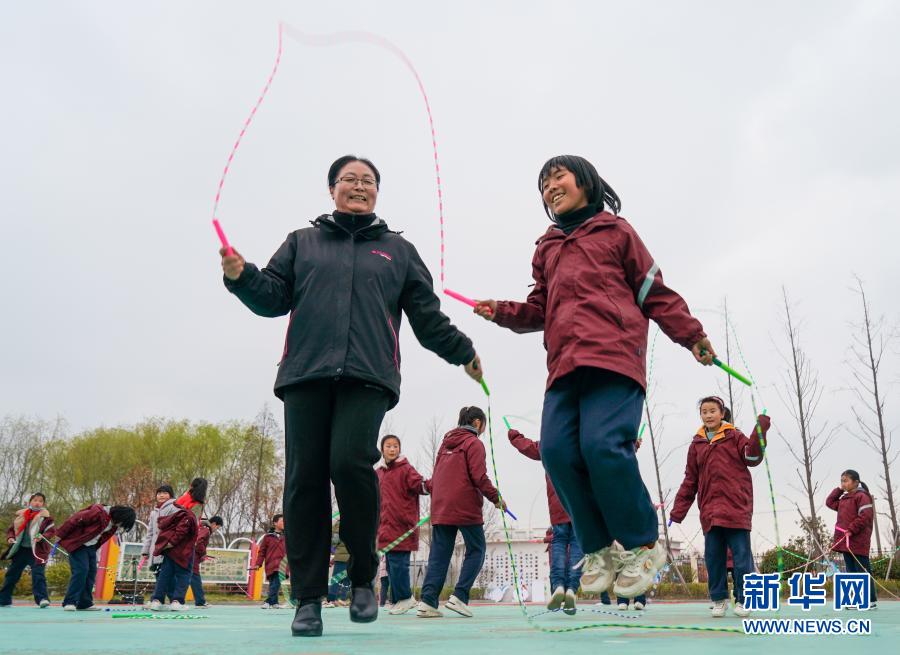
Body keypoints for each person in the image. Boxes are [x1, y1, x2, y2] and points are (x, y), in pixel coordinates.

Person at [219, 154, 483, 637]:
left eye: (368, 181)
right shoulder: (303, 243)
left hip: (369, 374)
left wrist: (462, 351)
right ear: (332, 189)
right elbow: (274, 296)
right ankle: (308, 599)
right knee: (303, 482)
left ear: (377, 192)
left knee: (348, 463)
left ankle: (364, 574)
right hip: (305, 375)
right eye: (349, 180)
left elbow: (426, 317)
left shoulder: (398, 251)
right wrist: (242, 277)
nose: (359, 187)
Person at [475, 155, 716, 598]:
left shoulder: (616, 232)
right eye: (543, 184)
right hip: (564, 366)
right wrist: (502, 312)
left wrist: (691, 335)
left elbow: (653, 292)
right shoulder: (546, 247)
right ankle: (601, 549)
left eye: (557, 177)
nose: (550, 187)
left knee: (602, 446)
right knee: (557, 451)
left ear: (585, 180)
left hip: (614, 357)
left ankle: (645, 544)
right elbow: (539, 309)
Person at [669, 396, 770, 617]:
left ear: (722, 413)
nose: (708, 415)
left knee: (742, 558)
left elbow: (752, 456)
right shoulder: (697, 444)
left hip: (736, 509)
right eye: (704, 412)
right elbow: (690, 480)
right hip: (710, 512)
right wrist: (678, 511)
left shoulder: (735, 436)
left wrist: (760, 428)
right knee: (714, 558)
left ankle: (744, 600)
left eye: (712, 410)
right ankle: (719, 599)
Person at [417, 407, 504, 619]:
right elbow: (479, 477)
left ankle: (428, 602)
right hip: (464, 505)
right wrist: (496, 497)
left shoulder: (444, 444)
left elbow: (436, 476)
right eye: (483, 424)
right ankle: (460, 596)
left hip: (441, 505)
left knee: (439, 554)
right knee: (477, 549)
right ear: (476, 423)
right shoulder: (474, 443)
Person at [507, 428, 581, 615]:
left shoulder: (550, 443)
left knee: (559, 541)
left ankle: (558, 586)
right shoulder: (582, 442)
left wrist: (514, 436)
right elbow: (605, 452)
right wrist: (633, 445)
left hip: (558, 504)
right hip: (581, 505)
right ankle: (572, 588)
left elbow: (528, 447)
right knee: (577, 544)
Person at [376, 434, 428, 615]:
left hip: (403, 526)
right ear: (382, 450)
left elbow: (420, 485)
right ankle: (398, 599)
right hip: (385, 527)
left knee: (399, 565)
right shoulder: (379, 474)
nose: (392, 449)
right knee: (390, 566)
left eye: (395, 446)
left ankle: (406, 598)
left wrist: (434, 485)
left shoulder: (406, 469)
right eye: (388, 446)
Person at [56, 504, 136, 611]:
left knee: (91, 573)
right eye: (122, 522)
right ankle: (70, 601)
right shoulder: (98, 513)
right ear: (119, 515)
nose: (120, 525)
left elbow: (102, 537)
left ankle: (84, 603)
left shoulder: (113, 525)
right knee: (81, 571)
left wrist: (94, 548)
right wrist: (60, 534)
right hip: (78, 544)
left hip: (91, 547)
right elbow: (74, 519)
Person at [826, 469, 877, 608]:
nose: (843, 483)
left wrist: (851, 529)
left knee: (862, 570)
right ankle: (855, 599)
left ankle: (869, 600)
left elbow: (865, 516)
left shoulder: (862, 496)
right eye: (841, 481)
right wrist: (838, 490)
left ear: (856, 482)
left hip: (858, 540)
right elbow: (830, 502)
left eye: (846, 481)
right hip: (846, 541)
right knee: (851, 571)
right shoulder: (844, 499)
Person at [1, 493, 55, 608]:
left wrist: (42, 536)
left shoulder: (46, 518)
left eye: (40, 501)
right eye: (35, 500)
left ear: (43, 504)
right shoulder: (21, 515)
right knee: (12, 574)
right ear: (30, 502)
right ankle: (4, 600)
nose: (37, 503)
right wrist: (10, 537)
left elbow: (51, 531)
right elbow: (12, 529)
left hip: (37, 551)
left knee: (38, 575)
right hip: (20, 550)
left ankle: (42, 599)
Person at [149, 498, 198, 611]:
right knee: (184, 575)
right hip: (182, 550)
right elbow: (181, 532)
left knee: (164, 575)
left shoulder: (169, 515)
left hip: (168, 551)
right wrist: (171, 543)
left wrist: (165, 545)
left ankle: (157, 600)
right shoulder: (187, 515)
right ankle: (177, 601)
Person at [139, 485, 177, 583]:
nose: (161, 495)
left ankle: (165, 598)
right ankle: (161, 598)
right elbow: (150, 533)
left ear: (171, 495)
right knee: (159, 577)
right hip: (155, 550)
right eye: (159, 493)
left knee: (167, 580)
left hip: (168, 550)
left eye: (165, 493)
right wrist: (145, 551)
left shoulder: (175, 508)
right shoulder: (154, 513)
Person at [253, 514, 291, 609]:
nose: (284, 523)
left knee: (276, 581)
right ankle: (274, 602)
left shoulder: (288, 536)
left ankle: (268, 601)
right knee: (274, 583)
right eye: (282, 521)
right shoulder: (268, 537)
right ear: (275, 523)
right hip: (271, 564)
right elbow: (262, 552)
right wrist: (258, 564)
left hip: (283, 564)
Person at [191, 515, 223, 609]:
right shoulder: (206, 529)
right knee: (195, 579)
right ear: (213, 524)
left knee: (180, 578)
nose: (216, 529)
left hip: (190, 556)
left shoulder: (201, 527)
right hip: (192, 558)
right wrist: (203, 553)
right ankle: (200, 602)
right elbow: (198, 542)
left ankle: (171, 599)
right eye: (217, 527)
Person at [326, 523, 350, 608]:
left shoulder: (339, 524)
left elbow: (335, 540)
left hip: (341, 557)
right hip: (352, 556)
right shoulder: (356, 522)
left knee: (336, 578)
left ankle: (332, 599)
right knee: (347, 578)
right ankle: (342, 599)